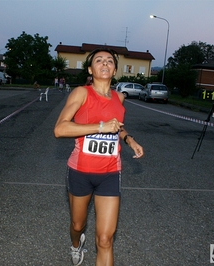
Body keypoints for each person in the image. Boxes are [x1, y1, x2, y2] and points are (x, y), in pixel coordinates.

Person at [54, 48, 144, 266]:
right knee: (78, 225)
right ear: (90, 68)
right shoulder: (81, 93)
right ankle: (76, 244)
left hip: (110, 173)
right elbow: (60, 129)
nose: (105, 64)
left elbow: (117, 127)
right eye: (99, 60)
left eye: (110, 61)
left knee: (105, 239)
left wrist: (129, 139)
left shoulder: (119, 97)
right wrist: (101, 126)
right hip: (80, 172)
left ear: (114, 70)